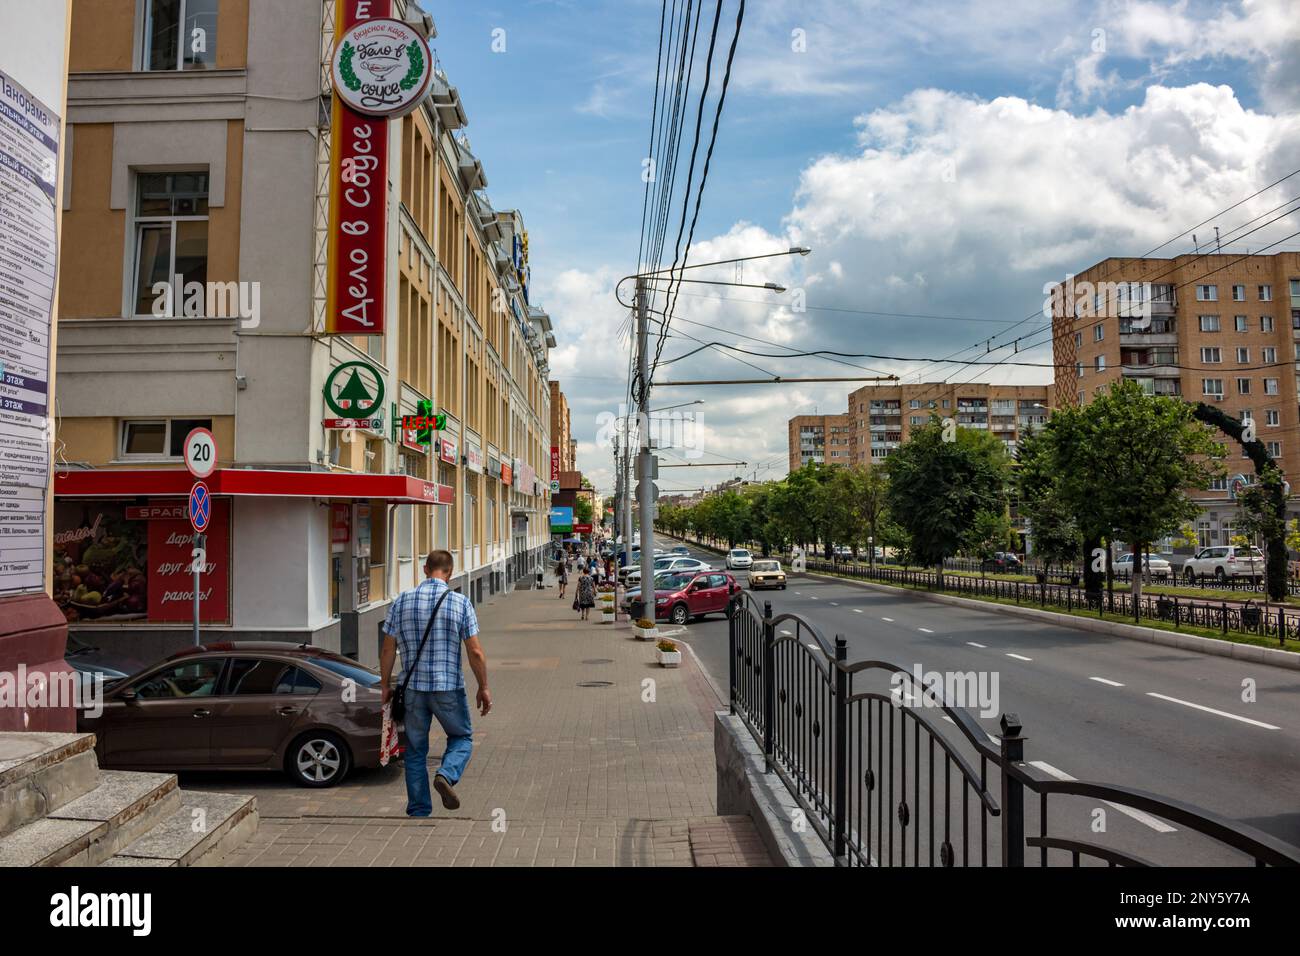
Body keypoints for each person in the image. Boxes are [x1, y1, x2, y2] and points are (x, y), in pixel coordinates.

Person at [380, 550, 491, 816]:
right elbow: (475, 652)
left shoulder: (401, 601)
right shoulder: (460, 602)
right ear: (450, 573)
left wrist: (385, 685)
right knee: (462, 737)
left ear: (425, 569)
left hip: (413, 690)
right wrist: (483, 686)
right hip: (448, 687)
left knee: (416, 750)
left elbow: (387, 650)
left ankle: (419, 809)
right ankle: (446, 774)